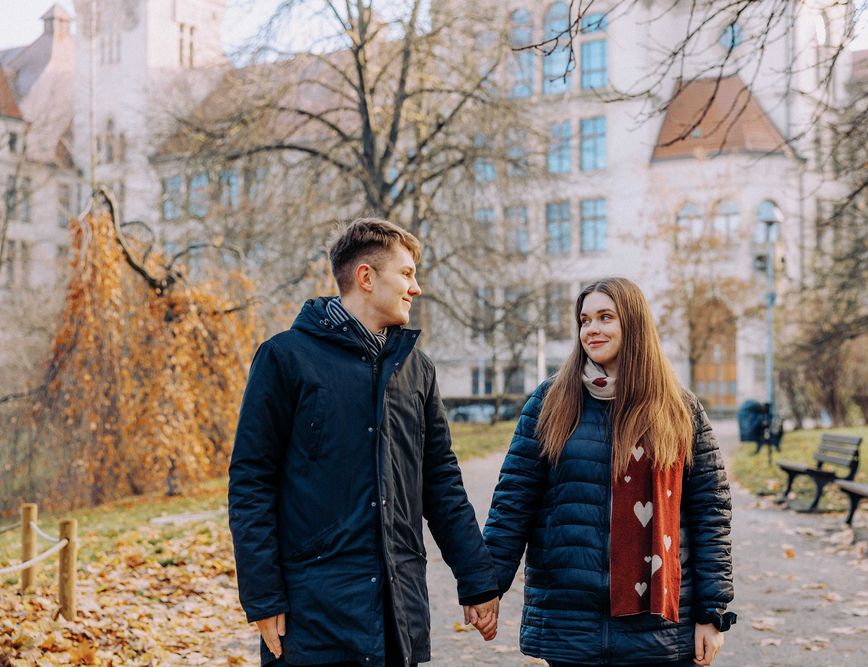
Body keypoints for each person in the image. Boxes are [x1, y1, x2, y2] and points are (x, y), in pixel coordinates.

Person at [229, 218, 499, 667]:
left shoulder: (417, 369)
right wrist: (263, 598)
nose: (416, 288)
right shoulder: (285, 358)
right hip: (312, 614)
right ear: (366, 277)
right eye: (406, 274)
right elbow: (251, 483)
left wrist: (477, 580)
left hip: (398, 610)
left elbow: (441, 482)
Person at [483, 277, 736, 667]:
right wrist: (486, 587)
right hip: (570, 619)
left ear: (633, 324)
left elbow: (710, 515)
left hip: (659, 627)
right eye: (584, 320)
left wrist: (712, 613)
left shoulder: (679, 409)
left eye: (605, 317)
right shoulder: (550, 401)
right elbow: (513, 502)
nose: (591, 329)